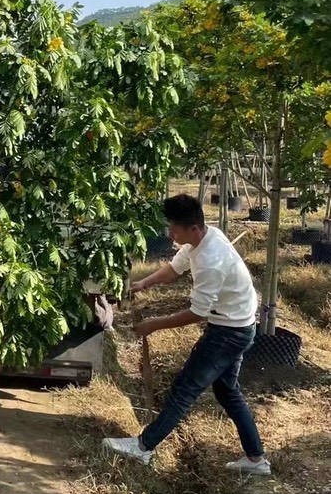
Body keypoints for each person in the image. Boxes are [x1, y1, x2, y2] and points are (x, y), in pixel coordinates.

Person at [103, 193, 270, 475]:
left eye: (174, 229)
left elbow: (198, 313)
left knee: (185, 389)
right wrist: (141, 284)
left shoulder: (211, 260)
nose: (170, 233)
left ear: (192, 228)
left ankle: (143, 447)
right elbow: (174, 269)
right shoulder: (204, 238)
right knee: (228, 392)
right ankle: (257, 460)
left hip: (229, 332)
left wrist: (153, 324)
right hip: (238, 324)